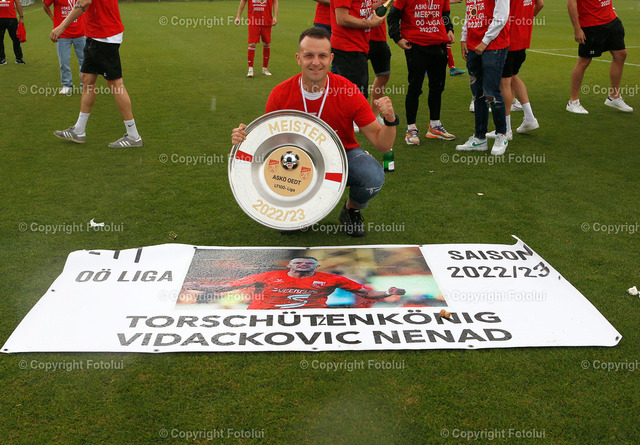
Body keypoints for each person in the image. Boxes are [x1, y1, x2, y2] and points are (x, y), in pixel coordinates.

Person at [231, 27, 398, 237]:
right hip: (295, 161)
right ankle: (299, 209)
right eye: (309, 55)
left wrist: (390, 120)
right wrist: (244, 138)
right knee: (281, 172)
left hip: (340, 157)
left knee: (372, 175)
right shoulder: (280, 94)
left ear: (331, 58)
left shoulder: (348, 91)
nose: (316, 62)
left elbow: (383, 144)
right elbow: (267, 145)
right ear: (298, 58)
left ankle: (351, 210)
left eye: (322, 56)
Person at [51, 0, 143, 148]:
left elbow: (85, 2)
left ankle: (133, 136)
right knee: (87, 79)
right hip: (95, 35)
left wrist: (62, 26)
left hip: (104, 35)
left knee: (115, 83)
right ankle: (79, 130)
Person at [181, 256, 406, 309]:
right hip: (263, 317)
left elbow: (366, 294)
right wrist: (200, 287)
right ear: (289, 265)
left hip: (310, 319)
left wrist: (389, 292)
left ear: (317, 266)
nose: (303, 264)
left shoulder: (332, 279)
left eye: (309, 263)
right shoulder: (268, 276)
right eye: (298, 262)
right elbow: (229, 286)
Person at [388, 0, 457, 145]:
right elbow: (393, 15)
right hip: (416, 45)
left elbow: (445, 14)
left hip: (439, 44)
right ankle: (411, 129)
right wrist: (397, 38)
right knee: (415, 87)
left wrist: (449, 29)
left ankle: (435, 126)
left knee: (437, 87)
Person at [456, 0, 510, 156]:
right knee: (477, 93)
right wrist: (464, 37)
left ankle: (501, 135)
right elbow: (470, 13)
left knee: (491, 92)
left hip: (494, 45)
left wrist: (485, 41)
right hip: (474, 45)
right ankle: (479, 137)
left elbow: (501, 17)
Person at [486, 0, 544, 140]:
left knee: (504, 83)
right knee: (513, 77)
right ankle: (530, 118)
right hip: (523, 37)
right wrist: (525, 21)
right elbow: (540, 4)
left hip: (508, 39)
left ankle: (505, 129)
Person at [566, 0, 632, 113]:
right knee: (584, 61)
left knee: (621, 54)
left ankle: (614, 97)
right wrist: (577, 29)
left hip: (612, 21)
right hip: (591, 25)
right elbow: (571, 3)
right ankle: (573, 101)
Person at [330, 0, 384, 98]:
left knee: (357, 95)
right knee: (356, 96)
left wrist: (380, 4)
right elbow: (342, 18)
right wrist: (371, 23)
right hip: (348, 48)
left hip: (357, 46)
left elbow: (361, 9)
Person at [43, 0, 86, 95]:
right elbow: (45, 3)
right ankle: (66, 85)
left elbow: (88, 4)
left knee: (84, 61)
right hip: (63, 35)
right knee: (64, 62)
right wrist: (53, 18)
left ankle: (85, 84)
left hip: (81, 32)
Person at [235, 0, 278, 78]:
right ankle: (250, 69)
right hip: (253, 20)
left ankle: (265, 69)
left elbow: (275, 1)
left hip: (266, 20)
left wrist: (275, 16)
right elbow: (243, 1)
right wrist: (238, 16)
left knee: (266, 43)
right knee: (252, 43)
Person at [368, 17, 391, 125]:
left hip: (380, 37)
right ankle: (352, 115)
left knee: (384, 75)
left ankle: (374, 114)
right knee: (356, 77)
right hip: (361, 37)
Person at [0, 0, 25, 65]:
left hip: (11, 18)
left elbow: (18, 3)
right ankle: (2, 58)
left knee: (16, 39)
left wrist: (21, 17)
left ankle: (18, 58)